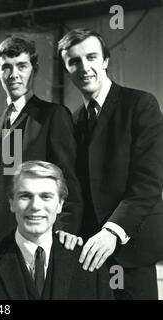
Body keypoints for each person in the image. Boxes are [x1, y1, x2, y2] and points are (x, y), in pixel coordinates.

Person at [58, 28, 163, 299]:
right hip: (89, 255)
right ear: (67, 68)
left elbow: (148, 183)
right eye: (74, 61)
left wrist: (112, 232)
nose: (84, 67)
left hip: (131, 249)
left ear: (105, 60)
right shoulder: (74, 121)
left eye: (91, 57)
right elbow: (74, 190)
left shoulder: (140, 104)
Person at [0, 34, 83, 247]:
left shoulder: (54, 116)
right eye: (6, 67)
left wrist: (64, 232)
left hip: (35, 239)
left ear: (34, 69)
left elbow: (69, 183)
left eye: (22, 66)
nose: (14, 75)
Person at [0, 160, 113, 300]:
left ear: (60, 204)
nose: (35, 206)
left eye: (46, 197)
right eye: (25, 196)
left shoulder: (89, 264)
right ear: (11, 203)